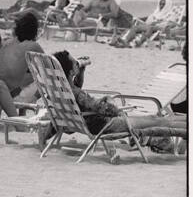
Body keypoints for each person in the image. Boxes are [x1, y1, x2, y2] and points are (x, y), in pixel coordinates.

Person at [53, 49, 188, 140]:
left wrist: (81, 69)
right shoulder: (76, 93)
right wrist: (111, 104)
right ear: (71, 72)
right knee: (161, 121)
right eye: (75, 63)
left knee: (156, 118)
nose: (78, 63)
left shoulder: (59, 89)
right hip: (107, 125)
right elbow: (102, 108)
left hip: (91, 123)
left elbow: (77, 90)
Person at [0, 9, 44, 102]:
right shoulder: (33, 46)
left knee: (28, 72)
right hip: (14, 95)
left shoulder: (7, 42)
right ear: (34, 30)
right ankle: (32, 101)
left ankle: (22, 112)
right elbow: (48, 65)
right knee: (45, 77)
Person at [111, 0, 183, 48]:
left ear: (168, 5)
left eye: (163, 4)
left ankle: (140, 41)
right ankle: (125, 40)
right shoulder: (156, 12)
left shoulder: (171, 13)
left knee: (150, 27)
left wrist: (158, 23)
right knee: (135, 27)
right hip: (149, 26)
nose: (161, 5)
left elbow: (172, 24)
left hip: (160, 29)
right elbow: (149, 21)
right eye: (160, 3)